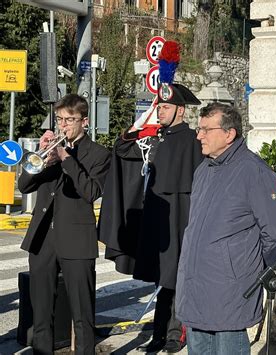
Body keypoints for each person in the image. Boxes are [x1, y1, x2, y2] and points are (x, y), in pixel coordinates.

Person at [98, 41, 203, 353]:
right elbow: (121, 149)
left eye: (166, 107)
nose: (161, 111)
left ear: (181, 110)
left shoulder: (194, 141)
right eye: (159, 106)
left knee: (177, 279)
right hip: (157, 219)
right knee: (162, 279)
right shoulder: (155, 137)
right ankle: (160, 332)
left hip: (181, 218)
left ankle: (175, 333)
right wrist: (141, 123)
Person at [175, 102, 276, 355]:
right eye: (199, 128)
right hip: (196, 285)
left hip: (230, 289)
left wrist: (245, 271)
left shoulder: (254, 171)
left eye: (206, 129)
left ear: (229, 134)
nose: (199, 135)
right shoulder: (203, 169)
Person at [18, 94, 111, 354]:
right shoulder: (48, 151)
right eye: (60, 119)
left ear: (84, 121)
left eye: (70, 120)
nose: (64, 125)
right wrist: (39, 153)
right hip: (42, 240)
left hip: (77, 241)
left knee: (82, 315)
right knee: (41, 314)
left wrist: (67, 159)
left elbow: (91, 191)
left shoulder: (99, 154)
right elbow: (24, 186)